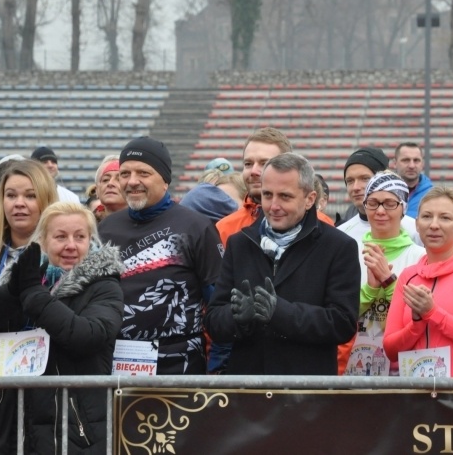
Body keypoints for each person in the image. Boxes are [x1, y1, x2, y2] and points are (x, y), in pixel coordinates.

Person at [0, 202, 124, 453]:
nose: (71, 245)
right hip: (8, 421)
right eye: (60, 237)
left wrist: (34, 294)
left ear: (90, 241)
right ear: (43, 241)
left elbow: (87, 336)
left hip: (71, 426)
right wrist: (11, 292)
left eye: (80, 237)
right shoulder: (25, 280)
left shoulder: (104, 286)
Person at [204, 153, 360, 374]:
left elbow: (343, 323)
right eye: (267, 195)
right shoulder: (239, 243)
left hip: (306, 388)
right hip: (249, 386)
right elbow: (213, 321)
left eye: (285, 196)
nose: (273, 205)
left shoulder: (339, 246)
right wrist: (238, 318)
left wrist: (281, 313)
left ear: (310, 199)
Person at [98, 137, 223, 374]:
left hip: (179, 365)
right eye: (125, 174)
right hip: (117, 365)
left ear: (165, 180)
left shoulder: (196, 227)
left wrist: (219, 364)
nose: (132, 181)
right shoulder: (106, 228)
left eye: (143, 173)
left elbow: (219, 304)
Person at [383, 186, 453, 377]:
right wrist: (416, 325)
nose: (434, 225)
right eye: (427, 217)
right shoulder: (408, 277)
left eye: (445, 218)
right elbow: (390, 350)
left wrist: (433, 313)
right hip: (415, 391)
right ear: (417, 224)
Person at [0, 159, 59, 377]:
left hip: (40, 383)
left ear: (46, 201)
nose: (19, 203)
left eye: (30, 196)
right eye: (11, 195)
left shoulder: (60, 259)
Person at [342, 172, 426, 375]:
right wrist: (370, 291)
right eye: (372, 203)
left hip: (404, 368)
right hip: (352, 366)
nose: (380, 211)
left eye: (389, 203)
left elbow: (420, 316)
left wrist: (389, 283)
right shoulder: (346, 252)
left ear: (403, 208)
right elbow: (340, 315)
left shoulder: (420, 256)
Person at [215, 127, 300, 247]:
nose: (254, 171)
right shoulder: (224, 229)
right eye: (248, 164)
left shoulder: (318, 226)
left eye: (264, 163)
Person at [338, 147, 421, 245]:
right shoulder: (341, 234)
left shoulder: (415, 230)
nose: (356, 187)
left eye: (365, 178)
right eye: (350, 181)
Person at [393, 142, 433, 218]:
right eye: (406, 160)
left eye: (416, 160)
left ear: (422, 164)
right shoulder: (383, 192)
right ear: (395, 163)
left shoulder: (432, 196)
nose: (411, 166)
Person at [93, 155, 126, 220]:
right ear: (96, 190)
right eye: (105, 180)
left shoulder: (145, 223)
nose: (110, 183)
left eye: (119, 179)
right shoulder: (86, 224)